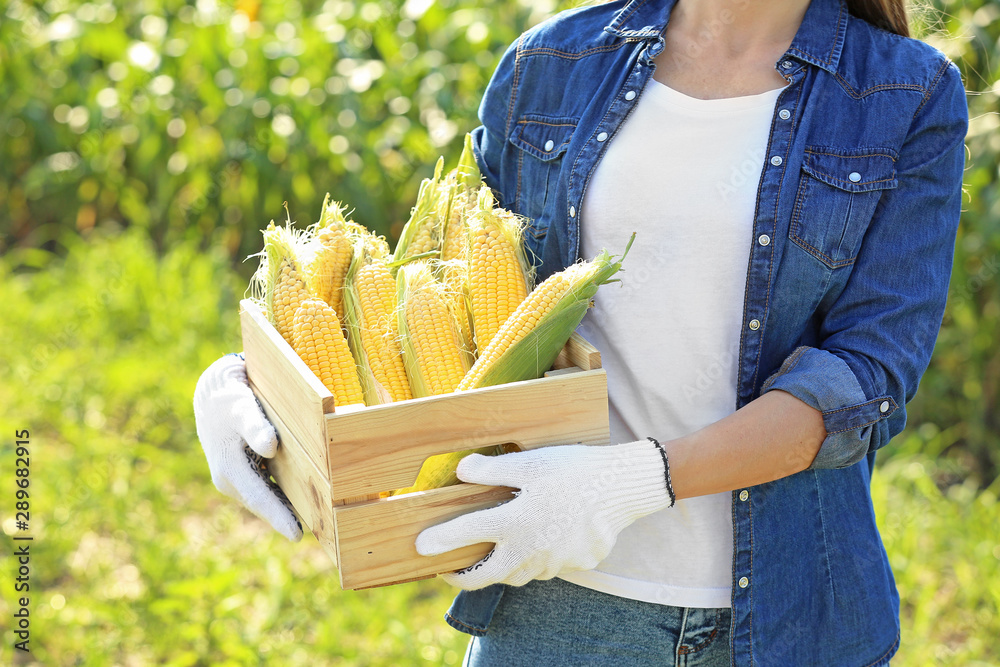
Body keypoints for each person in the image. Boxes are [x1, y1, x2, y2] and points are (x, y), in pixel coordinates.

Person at [194, 0, 969, 663]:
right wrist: (255, 381)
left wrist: (631, 481)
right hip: (558, 596)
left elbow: (865, 377)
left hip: (794, 615)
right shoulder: (553, 63)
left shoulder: (906, 94)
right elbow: (434, 290)